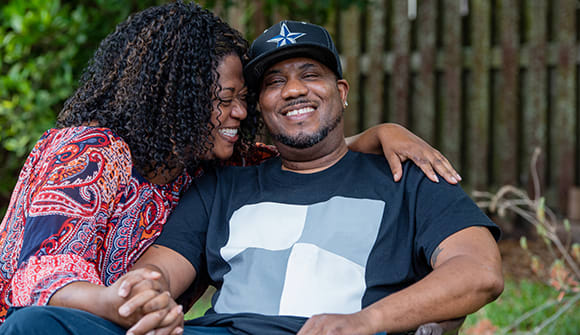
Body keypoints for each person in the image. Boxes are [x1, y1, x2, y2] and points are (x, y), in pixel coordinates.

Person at [2, 20, 502, 335]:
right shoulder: (226, 179)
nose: (292, 91)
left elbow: (479, 271)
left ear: (341, 91)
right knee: (33, 325)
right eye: (274, 82)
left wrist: (366, 322)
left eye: (310, 74)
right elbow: (157, 272)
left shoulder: (407, 174)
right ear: (261, 104)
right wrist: (145, 296)